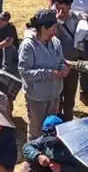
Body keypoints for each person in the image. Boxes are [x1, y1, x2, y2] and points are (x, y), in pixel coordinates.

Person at [19, 115, 87, 172]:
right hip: (50, 170)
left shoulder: (74, 145)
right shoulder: (46, 139)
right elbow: (27, 147)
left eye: (53, 137)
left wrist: (62, 169)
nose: (50, 140)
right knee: (29, 166)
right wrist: (38, 156)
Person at [19, 9, 68, 138]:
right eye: (53, 28)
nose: (55, 31)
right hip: (37, 98)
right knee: (37, 131)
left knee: (51, 130)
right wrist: (47, 73)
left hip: (55, 95)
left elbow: (60, 60)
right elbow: (24, 72)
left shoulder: (56, 42)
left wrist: (63, 67)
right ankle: (36, 156)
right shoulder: (28, 46)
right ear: (43, 28)